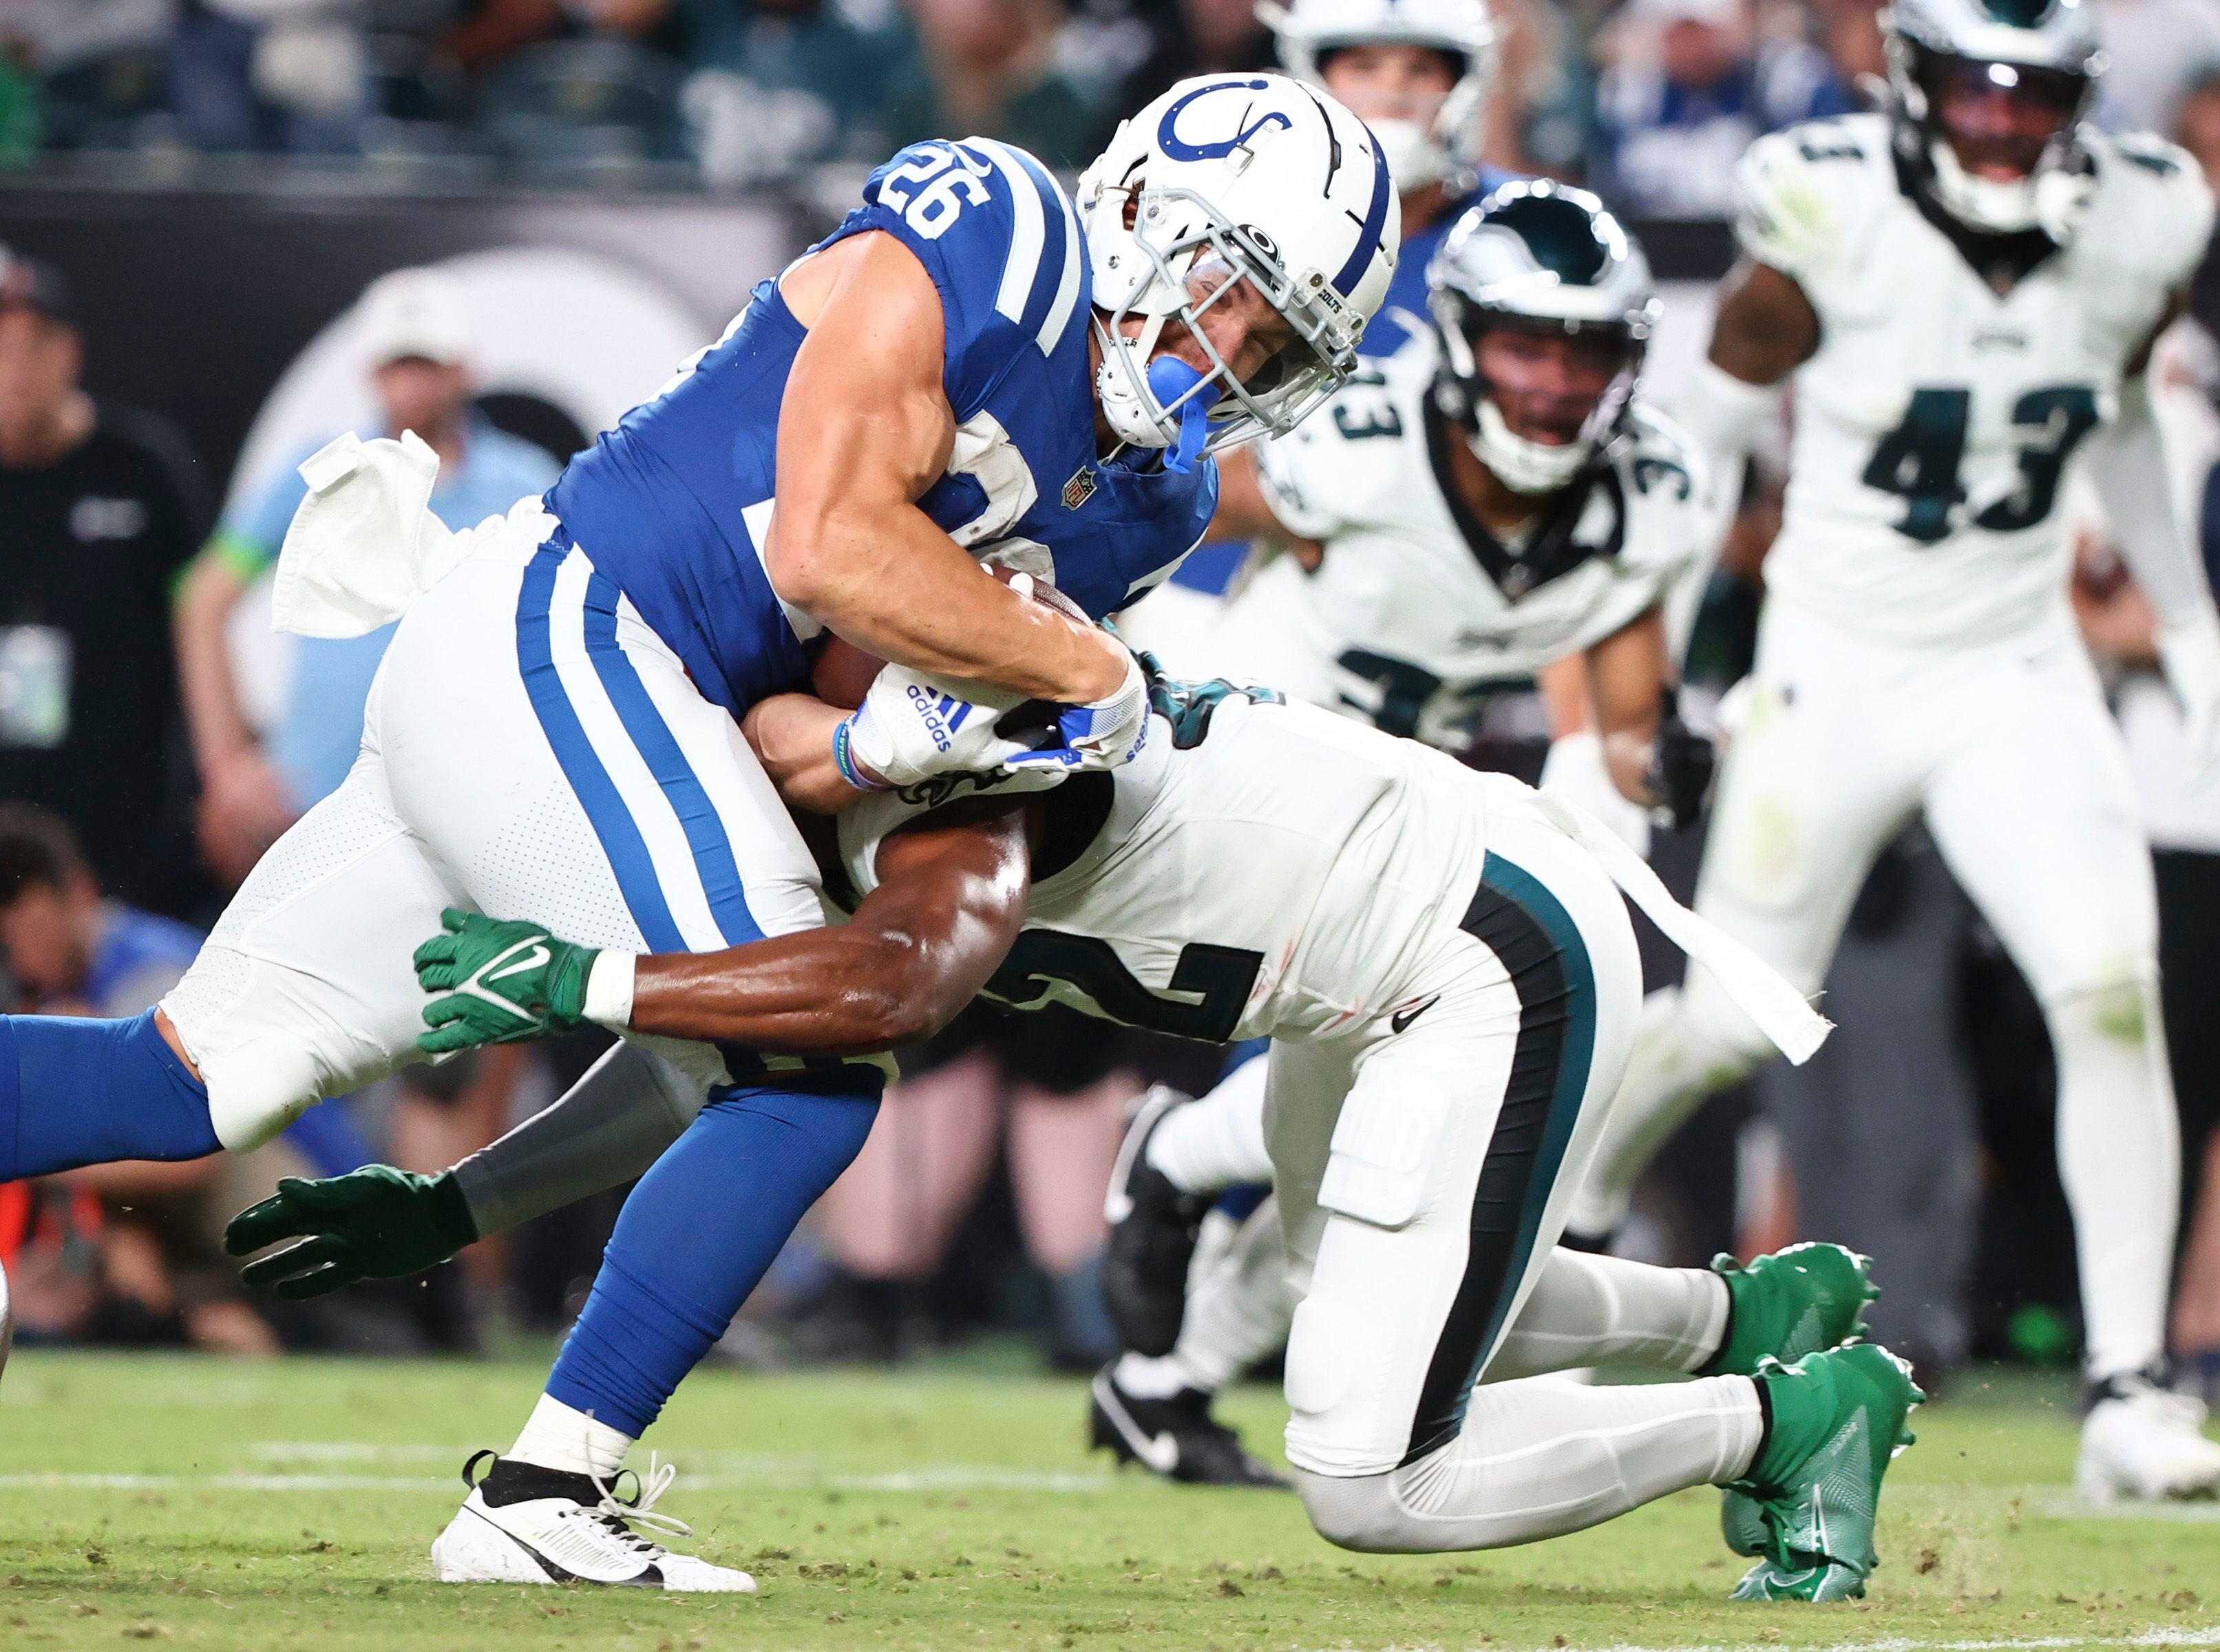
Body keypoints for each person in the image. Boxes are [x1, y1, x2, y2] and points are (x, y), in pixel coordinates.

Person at [0, 73, 1401, 1587]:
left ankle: (541, 1487)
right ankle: (542, 1494)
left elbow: (796, 750)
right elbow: (830, 539)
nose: (1226, 355)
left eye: (1274, 347)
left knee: (192, 1083)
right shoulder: (1001, 229)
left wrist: (470, 1199)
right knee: (810, 1064)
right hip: (585, 629)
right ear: (1142, 204)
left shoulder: (1157, 495)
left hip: (605, 696)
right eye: (1231, 297)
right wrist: (1093, 673)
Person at [233, 659, 1914, 1602]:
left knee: (1368, 1472)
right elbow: (710, 1057)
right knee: (1363, 1284)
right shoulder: (846, 761)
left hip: (1481, 950)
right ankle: (1733, 1313)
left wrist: (600, 967)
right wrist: (466, 1202)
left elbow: (878, 984)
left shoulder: (961, 766)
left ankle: (1779, 1414)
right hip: (1376, 960)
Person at [1562, 0, 2220, 1501]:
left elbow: (2114, 412)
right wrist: (1661, 666)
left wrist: (2182, 619)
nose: (1997, 123)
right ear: (1910, 83)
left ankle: (2126, 1386)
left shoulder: (2140, 216)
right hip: (1834, 664)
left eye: (2030, 93)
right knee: (1733, 1020)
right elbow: (1707, 440)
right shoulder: (1825, 206)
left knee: (2109, 989)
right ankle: (1575, 1197)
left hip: (2013, 668)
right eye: (1972, 89)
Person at [1090, 183, 1728, 1484]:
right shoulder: (1359, 440)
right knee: (1393, 1072)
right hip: (1270, 741)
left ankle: (1168, 1360)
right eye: (1527, 347)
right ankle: (1179, 1183)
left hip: (1404, 787)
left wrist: (1656, 758)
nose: (1555, 384)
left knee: (1390, 1118)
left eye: (1585, 351)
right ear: (1462, 341)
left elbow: (1616, 713)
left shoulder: (1653, 485)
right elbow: (1163, 493)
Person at [174, 267, 562, 887]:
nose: (410, 383)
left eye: (426, 363)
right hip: (311, 809)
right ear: (371, 372)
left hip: (470, 813)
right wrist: (225, 765)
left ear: (464, 368)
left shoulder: (525, 483)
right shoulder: (325, 471)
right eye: (396, 365)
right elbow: (203, 598)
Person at [0, 248, 208, 911]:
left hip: (125, 834)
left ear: (71, 353)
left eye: (34, 346)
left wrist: (218, 773)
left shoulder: (143, 471)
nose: (15, 371)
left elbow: (202, 622)